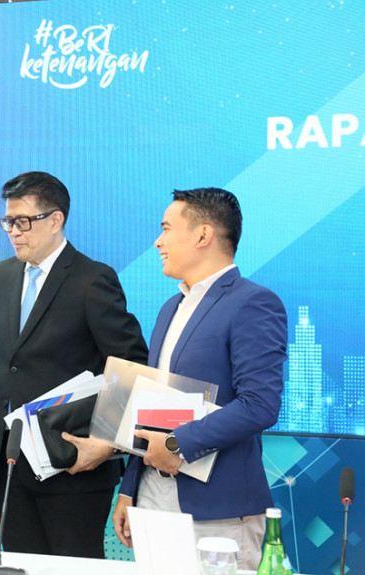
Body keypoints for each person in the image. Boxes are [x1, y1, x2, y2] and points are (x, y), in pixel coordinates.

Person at [0, 171, 148, 558]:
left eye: (23, 222)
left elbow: (131, 367)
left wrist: (106, 443)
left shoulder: (92, 279)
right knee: (19, 564)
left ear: (55, 219)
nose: (13, 232)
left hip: (73, 464)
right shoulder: (0, 276)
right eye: (8, 222)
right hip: (11, 463)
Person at [112, 188, 288, 570]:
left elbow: (260, 405)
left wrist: (177, 444)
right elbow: (152, 408)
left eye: (166, 229)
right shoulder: (169, 308)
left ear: (203, 234)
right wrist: (129, 489)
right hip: (153, 499)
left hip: (217, 508)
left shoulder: (253, 302)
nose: (158, 242)